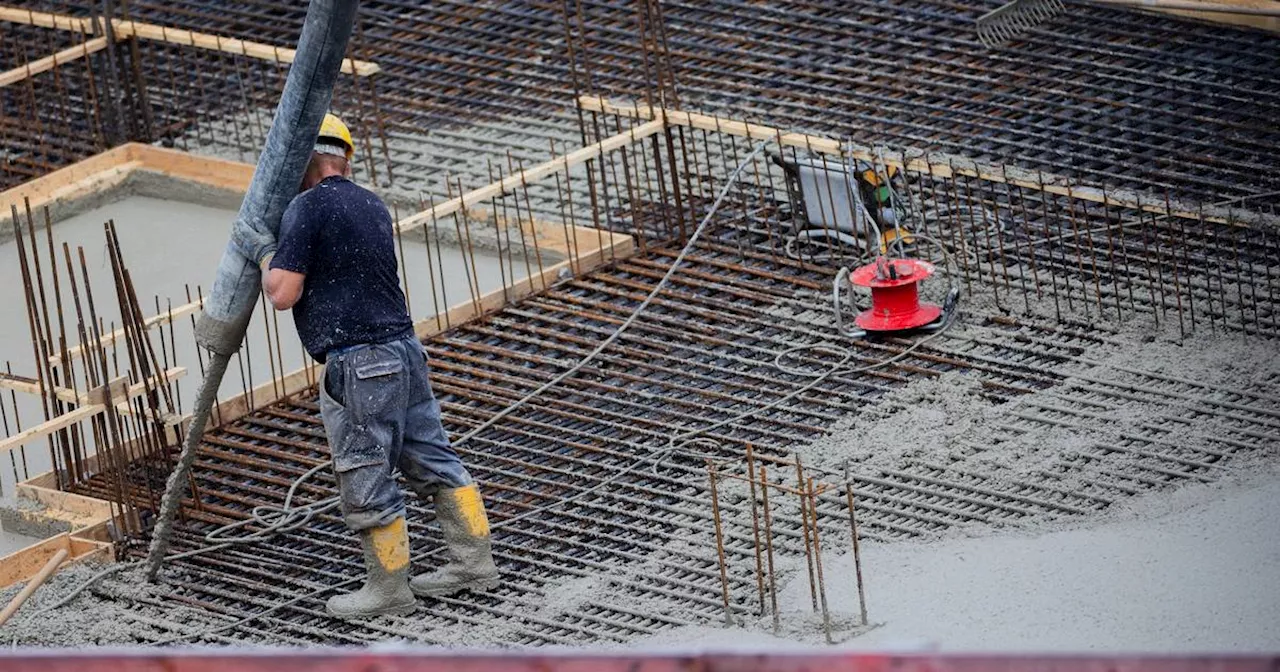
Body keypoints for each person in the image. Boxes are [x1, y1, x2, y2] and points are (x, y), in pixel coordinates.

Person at [237, 113, 499, 619]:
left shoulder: (307, 208)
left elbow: (283, 294)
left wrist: (265, 251)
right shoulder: (371, 203)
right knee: (433, 455)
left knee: (365, 470)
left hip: (358, 362)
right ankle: (474, 564)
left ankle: (388, 591)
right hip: (404, 351)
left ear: (302, 162)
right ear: (345, 157)